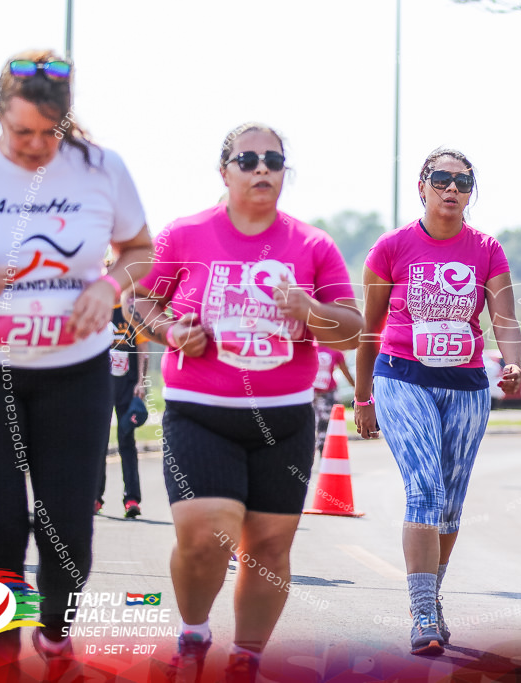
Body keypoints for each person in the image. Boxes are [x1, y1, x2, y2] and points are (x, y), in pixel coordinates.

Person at [0, 49, 152, 675]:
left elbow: (140, 250)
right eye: (22, 132)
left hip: (73, 370)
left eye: (50, 133)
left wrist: (108, 288)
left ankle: (54, 634)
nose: (36, 146)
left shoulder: (102, 170)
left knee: (68, 524)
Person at [126, 122, 361, 683]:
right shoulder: (184, 235)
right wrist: (171, 333)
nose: (262, 169)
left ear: (284, 173)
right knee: (210, 535)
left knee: (270, 547)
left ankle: (246, 659)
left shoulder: (313, 245)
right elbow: (138, 301)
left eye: (274, 161)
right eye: (248, 159)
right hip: (200, 410)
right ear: (224, 170)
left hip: (283, 418)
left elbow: (351, 331)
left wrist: (307, 309)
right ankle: (194, 630)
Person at [354, 148, 521, 656]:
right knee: (425, 489)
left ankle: (433, 595)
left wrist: (512, 362)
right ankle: (422, 611)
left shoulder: (487, 248)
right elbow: (370, 329)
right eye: (442, 179)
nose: (453, 189)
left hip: (467, 384)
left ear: (472, 192)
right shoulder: (391, 247)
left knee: (450, 503)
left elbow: (506, 319)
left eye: (463, 182)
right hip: (402, 376)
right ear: (422, 186)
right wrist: (363, 396)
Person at [97, 299, 148, 518]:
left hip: (128, 386)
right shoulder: (99, 307)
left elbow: (143, 348)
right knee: (98, 441)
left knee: (126, 440)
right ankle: (95, 497)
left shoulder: (132, 311)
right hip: (102, 385)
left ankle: (132, 499)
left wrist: (142, 382)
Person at [312, 343, 354, 458]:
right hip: (312, 394)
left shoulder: (335, 350)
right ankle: (315, 451)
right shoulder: (310, 347)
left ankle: (323, 453)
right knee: (313, 425)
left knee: (325, 424)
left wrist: (357, 389)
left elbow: (345, 371)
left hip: (328, 394)